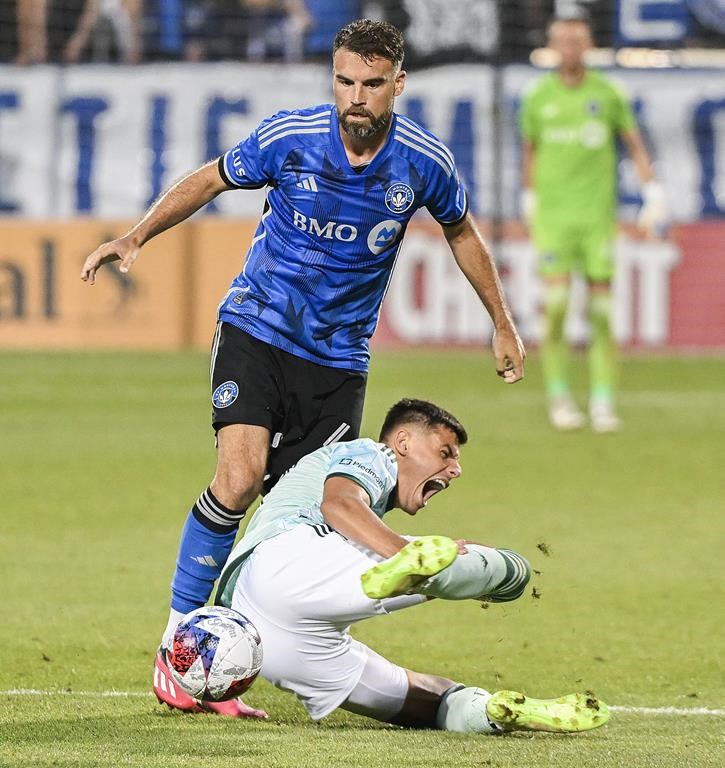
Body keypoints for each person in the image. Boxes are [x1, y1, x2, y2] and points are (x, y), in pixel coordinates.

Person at [81, 19, 525, 717]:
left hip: (338, 361)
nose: (357, 97)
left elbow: (461, 230)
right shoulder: (288, 137)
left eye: (372, 84)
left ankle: (235, 662)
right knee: (239, 475)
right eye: (345, 81)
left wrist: (501, 321)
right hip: (258, 328)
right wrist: (137, 236)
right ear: (334, 80)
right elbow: (210, 178)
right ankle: (179, 652)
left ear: (396, 85)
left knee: (294, 527)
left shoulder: (422, 161)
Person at [208, 397, 610, 732]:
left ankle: (490, 711)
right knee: (478, 561)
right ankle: (499, 575)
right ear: (402, 442)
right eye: (445, 452)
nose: (456, 469)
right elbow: (339, 504)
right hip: (287, 559)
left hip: (262, 632)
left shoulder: (365, 501)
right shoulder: (371, 453)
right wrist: (403, 553)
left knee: (413, 700)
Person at [519, 15, 667, 433]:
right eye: (562, 40)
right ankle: (560, 396)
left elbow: (634, 144)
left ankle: (602, 399)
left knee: (602, 311)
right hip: (554, 218)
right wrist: (528, 198)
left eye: (577, 40)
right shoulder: (537, 98)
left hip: (597, 218)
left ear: (588, 45)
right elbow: (529, 152)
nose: (569, 47)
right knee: (558, 307)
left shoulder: (608, 93)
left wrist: (652, 191)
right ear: (552, 45)